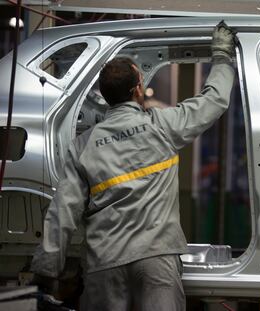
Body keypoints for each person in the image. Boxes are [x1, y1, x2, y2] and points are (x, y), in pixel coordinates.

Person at [30, 21, 236, 311]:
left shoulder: (82, 146)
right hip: (156, 259)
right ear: (138, 89)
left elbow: (63, 211)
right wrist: (222, 55)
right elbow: (213, 100)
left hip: (104, 264)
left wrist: (45, 272)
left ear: (104, 95)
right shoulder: (162, 126)